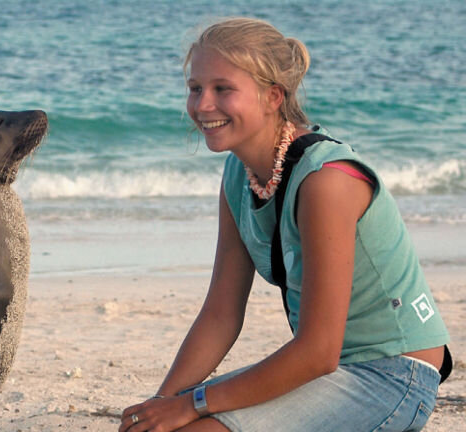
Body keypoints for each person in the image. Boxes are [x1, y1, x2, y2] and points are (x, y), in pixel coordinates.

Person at [119, 17, 450, 432]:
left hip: (391, 377)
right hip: (324, 371)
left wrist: (194, 404)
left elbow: (317, 351)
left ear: (272, 96)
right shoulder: (239, 174)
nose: (203, 105)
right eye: (195, 88)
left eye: (223, 89)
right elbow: (220, 314)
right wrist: (164, 403)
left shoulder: (326, 181)